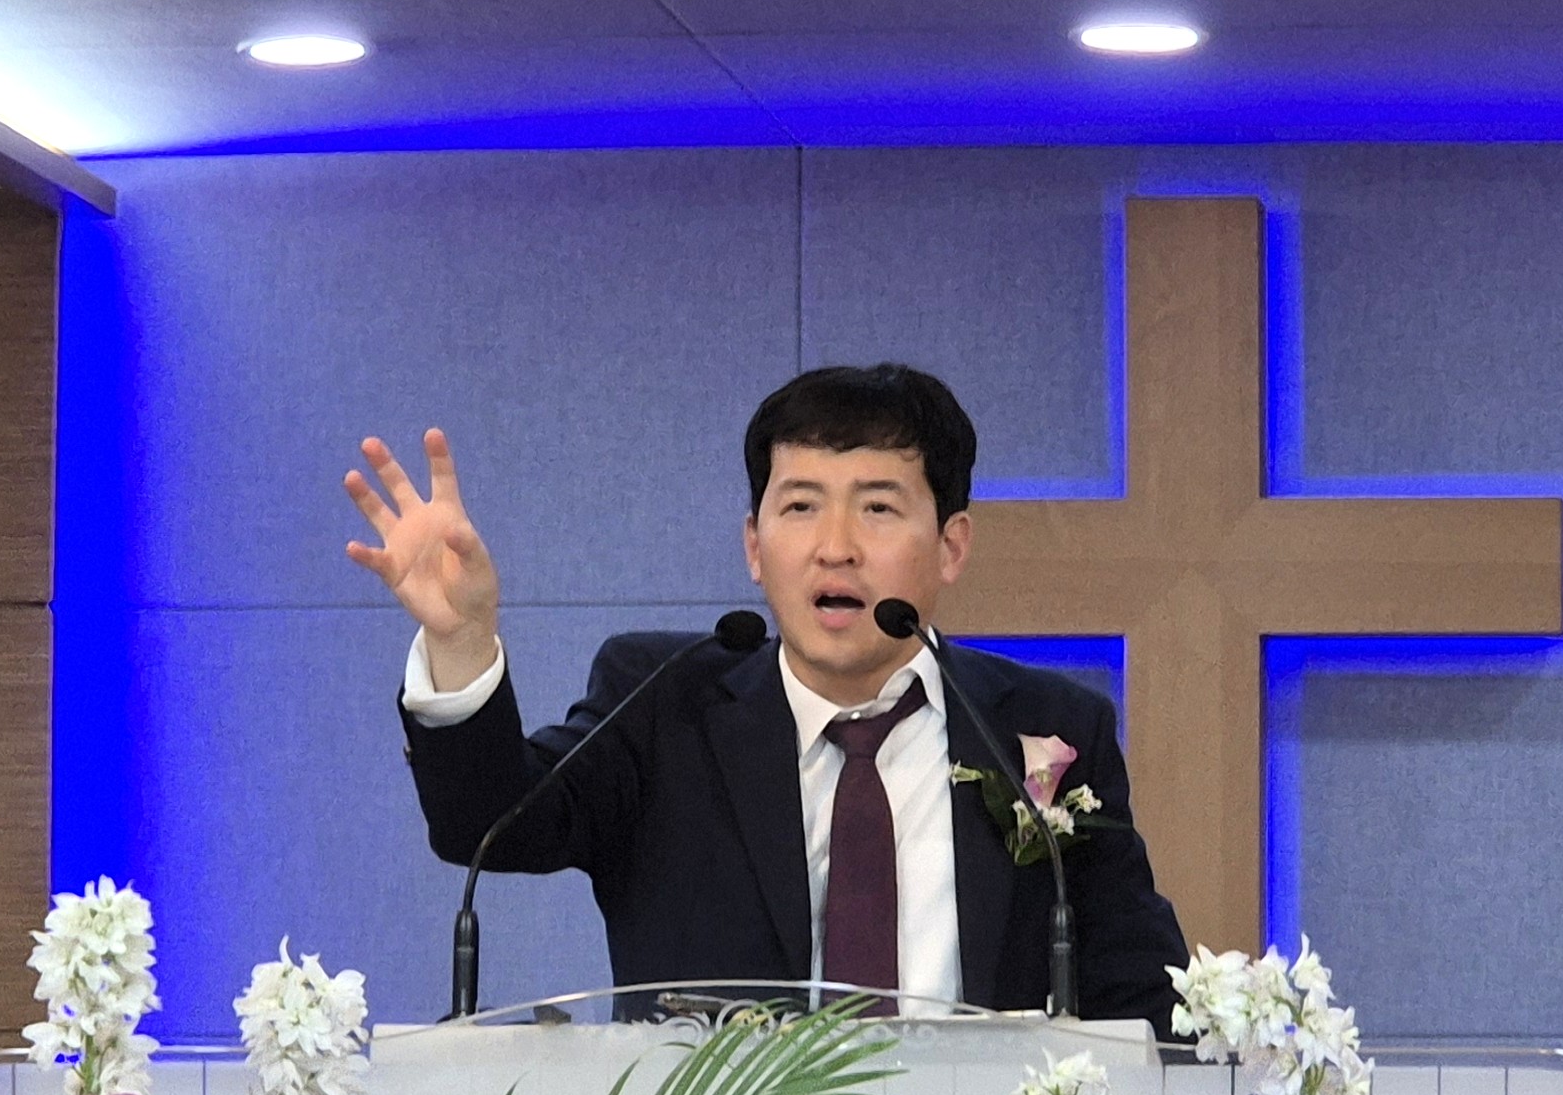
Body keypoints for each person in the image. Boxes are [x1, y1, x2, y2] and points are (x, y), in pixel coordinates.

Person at [341, 363, 1191, 1022]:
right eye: (800, 507)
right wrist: (460, 639)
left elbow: (1140, 998)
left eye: (878, 509)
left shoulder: (1046, 730)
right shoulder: (663, 706)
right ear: (754, 546)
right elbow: (489, 823)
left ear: (951, 546)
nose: (835, 547)